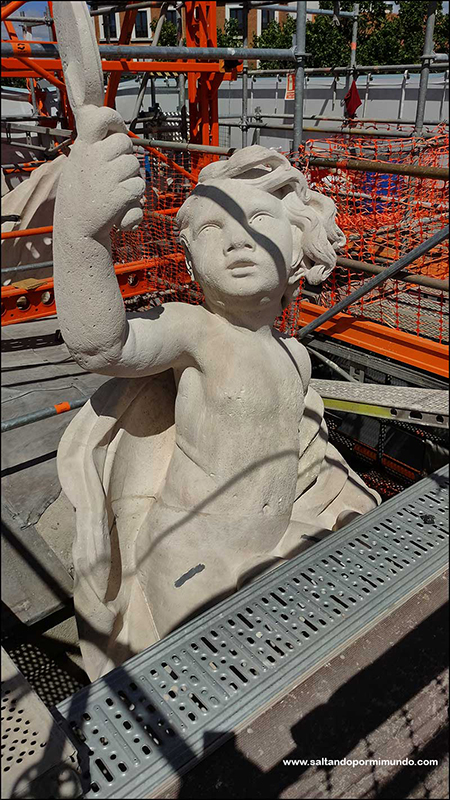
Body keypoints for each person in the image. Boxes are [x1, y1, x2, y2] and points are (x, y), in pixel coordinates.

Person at [54, 108, 379, 679]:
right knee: (230, 674)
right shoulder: (197, 331)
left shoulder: (296, 356)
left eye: (259, 219)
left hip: (271, 541)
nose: (237, 241)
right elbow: (104, 346)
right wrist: (81, 237)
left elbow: (298, 455)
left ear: (298, 242)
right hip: (193, 555)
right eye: (211, 230)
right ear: (191, 261)